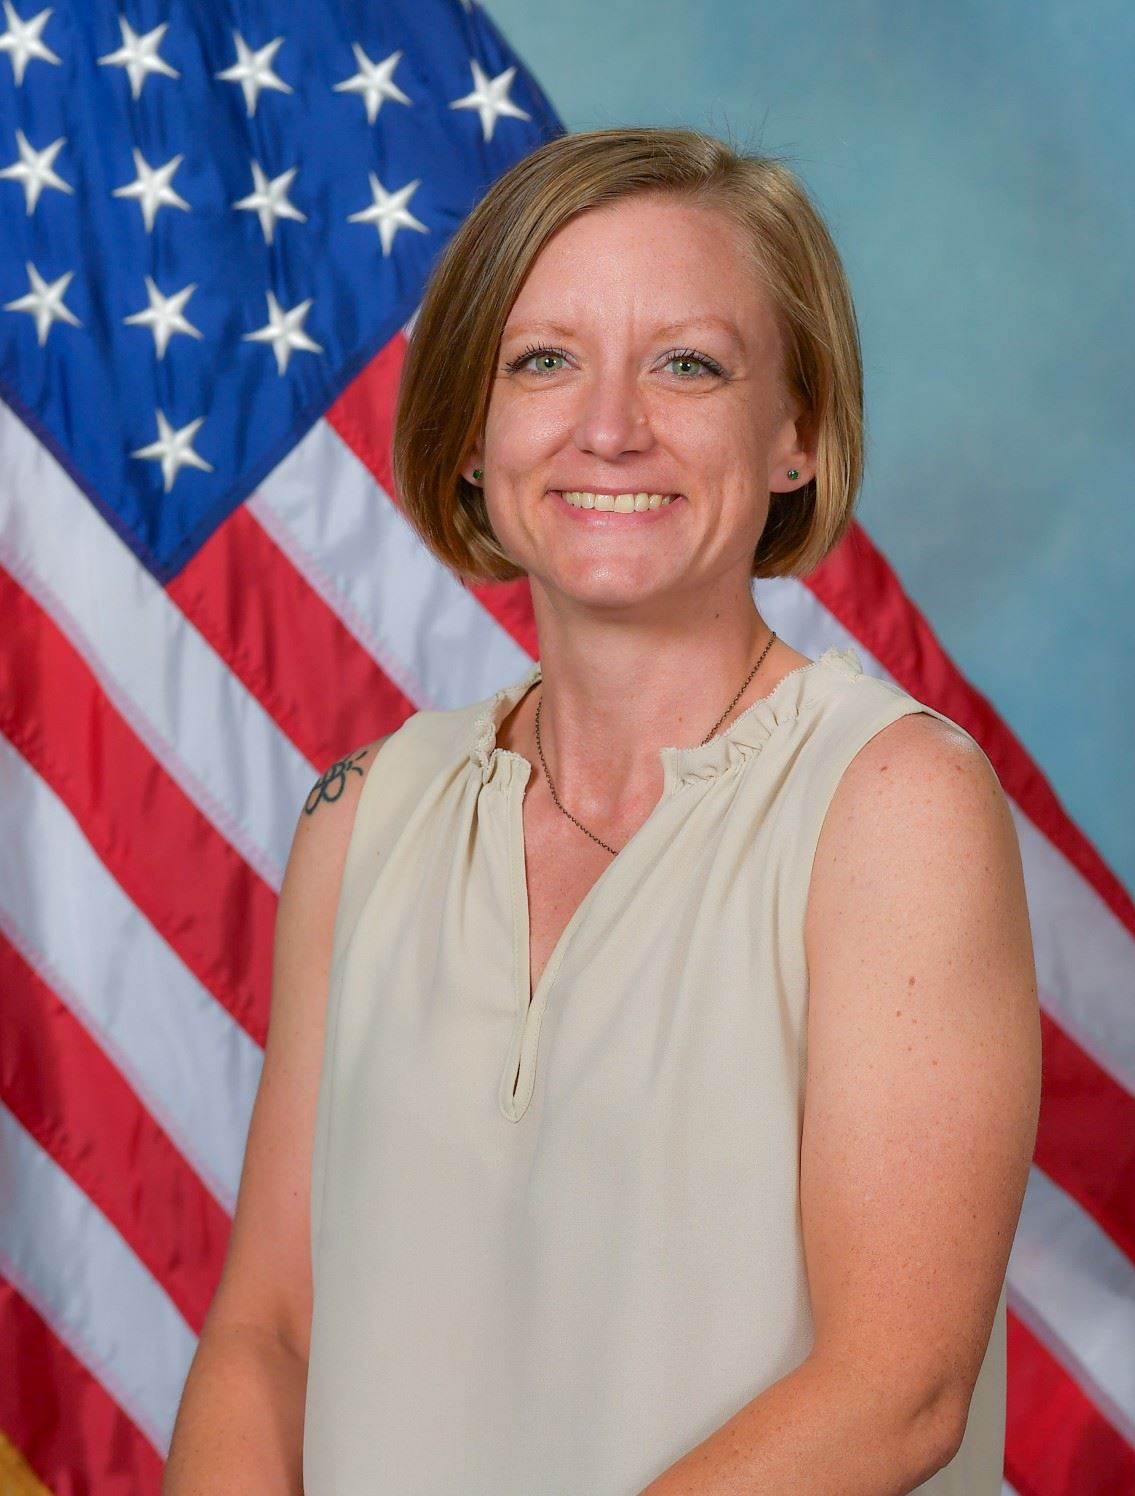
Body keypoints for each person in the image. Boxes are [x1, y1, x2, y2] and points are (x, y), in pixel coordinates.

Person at [164, 126, 1041, 1495]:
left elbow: (898, 1389)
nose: (611, 426)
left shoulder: (891, 803)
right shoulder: (365, 816)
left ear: (798, 434)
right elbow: (269, 1333)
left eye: (688, 364)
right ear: (470, 431)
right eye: (542, 361)